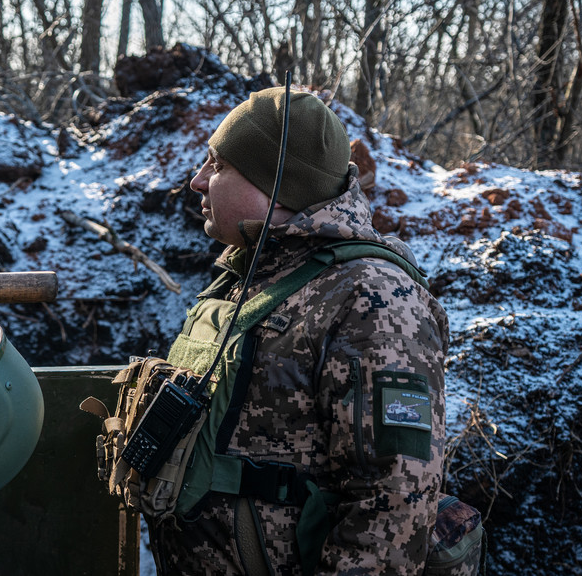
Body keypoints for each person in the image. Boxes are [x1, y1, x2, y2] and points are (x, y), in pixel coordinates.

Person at [149, 87, 448, 575]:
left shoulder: (372, 297)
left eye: (218, 165)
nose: (197, 182)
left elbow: (394, 503)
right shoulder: (250, 276)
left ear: (277, 185)